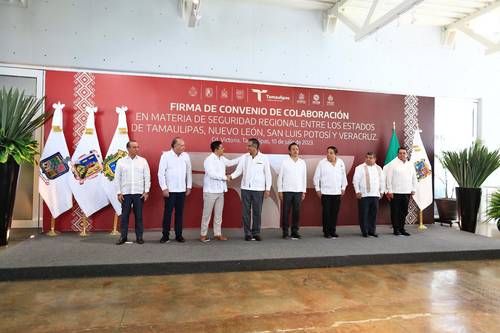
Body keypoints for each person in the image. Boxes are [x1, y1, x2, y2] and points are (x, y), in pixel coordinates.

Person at [230, 138, 272, 241]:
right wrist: (230, 176)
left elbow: (268, 174)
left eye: (249, 146)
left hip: (259, 189)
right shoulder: (244, 157)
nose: (247, 147)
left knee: (257, 212)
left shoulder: (264, 158)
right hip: (245, 189)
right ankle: (247, 233)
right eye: (247, 145)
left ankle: (256, 233)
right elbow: (238, 171)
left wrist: (267, 189)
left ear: (255, 147)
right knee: (246, 212)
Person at [200, 140, 240, 242]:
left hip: (220, 191)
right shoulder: (208, 160)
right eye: (222, 148)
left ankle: (217, 234)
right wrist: (225, 177)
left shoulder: (222, 158)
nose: (223, 149)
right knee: (207, 214)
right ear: (216, 149)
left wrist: (244, 157)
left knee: (218, 214)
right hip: (210, 191)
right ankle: (203, 235)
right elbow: (212, 174)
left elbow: (231, 163)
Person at [115, 140, 151, 245]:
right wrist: (118, 192)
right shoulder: (121, 161)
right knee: (124, 216)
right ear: (128, 149)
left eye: (137, 147)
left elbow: (147, 177)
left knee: (139, 216)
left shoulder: (143, 161)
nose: (137, 149)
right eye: (134, 147)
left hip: (139, 193)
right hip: (125, 193)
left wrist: (146, 191)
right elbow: (117, 178)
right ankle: (123, 237)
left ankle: (139, 237)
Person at [158, 137, 192, 243]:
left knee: (179, 214)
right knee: (168, 213)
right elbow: (161, 173)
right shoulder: (166, 156)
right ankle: (165, 235)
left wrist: (189, 186)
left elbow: (188, 172)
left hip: (181, 190)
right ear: (174, 146)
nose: (184, 147)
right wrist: (164, 188)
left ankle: (179, 235)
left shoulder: (186, 156)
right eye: (181, 145)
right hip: (170, 191)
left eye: (184, 145)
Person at [313, 146, 347, 238]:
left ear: (335, 154)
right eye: (327, 152)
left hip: (337, 193)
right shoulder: (322, 163)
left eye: (331, 153)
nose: (328, 154)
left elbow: (344, 176)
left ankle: (333, 231)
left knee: (334, 213)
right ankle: (326, 232)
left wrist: (343, 187)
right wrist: (317, 189)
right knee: (326, 213)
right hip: (326, 193)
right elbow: (316, 177)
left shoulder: (341, 162)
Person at [385, 147, 417, 236]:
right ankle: (396, 229)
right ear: (397, 154)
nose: (402, 155)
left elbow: (414, 178)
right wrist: (390, 191)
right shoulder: (392, 164)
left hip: (406, 192)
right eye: (400, 153)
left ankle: (402, 228)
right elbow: (388, 178)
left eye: (404, 153)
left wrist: (413, 189)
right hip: (395, 192)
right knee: (395, 211)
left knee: (404, 211)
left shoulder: (410, 164)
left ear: (406, 154)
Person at [277, 142, 307, 240]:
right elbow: (280, 177)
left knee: (296, 212)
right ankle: (285, 232)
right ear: (289, 151)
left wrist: (303, 191)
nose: (295, 151)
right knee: (286, 212)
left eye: (297, 149)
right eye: (293, 149)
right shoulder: (285, 162)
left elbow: (304, 177)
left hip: (298, 191)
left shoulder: (302, 162)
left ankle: (295, 231)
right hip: (287, 191)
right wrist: (280, 190)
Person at [352, 152, 384, 238]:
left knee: (373, 214)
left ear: (375, 159)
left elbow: (382, 181)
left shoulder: (379, 168)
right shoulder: (359, 168)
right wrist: (357, 191)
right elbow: (355, 181)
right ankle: (364, 231)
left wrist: (382, 191)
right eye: (367, 157)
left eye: (371, 158)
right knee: (364, 214)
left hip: (375, 195)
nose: (368, 159)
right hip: (363, 195)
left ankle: (372, 231)